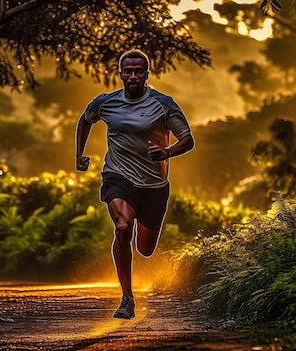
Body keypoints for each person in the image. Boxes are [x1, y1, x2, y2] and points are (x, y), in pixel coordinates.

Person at [75, 49, 195, 319]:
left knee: (145, 249)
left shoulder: (163, 104)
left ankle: (132, 278)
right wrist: (79, 155)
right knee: (122, 227)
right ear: (120, 74)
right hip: (117, 176)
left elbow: (188, 139)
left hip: (153, 185)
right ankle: (127, 298)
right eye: (127, 71)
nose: (132, 76)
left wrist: (168, 152)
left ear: (147, 74)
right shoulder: (105, 103)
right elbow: (85, 120)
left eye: (138, 71)